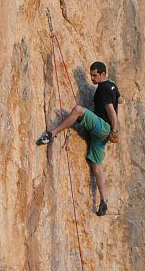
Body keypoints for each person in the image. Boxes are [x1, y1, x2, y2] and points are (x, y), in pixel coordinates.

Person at [37, 61, 120, 216]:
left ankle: (51, 134)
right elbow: (119, 101)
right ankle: (103, 201)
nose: (92, 78)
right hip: (101, 134)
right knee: (96, 167)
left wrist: (114, 130)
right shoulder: (113, 86)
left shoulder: (104, 88)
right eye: (91, 75)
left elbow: (111, 111)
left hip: (103, 127)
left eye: (95, 75)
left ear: (103, 74)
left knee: (78, 110)